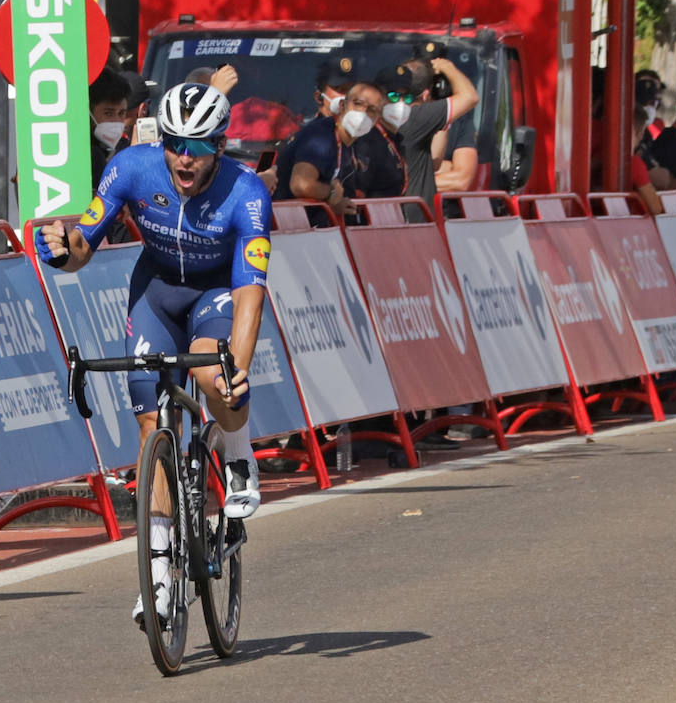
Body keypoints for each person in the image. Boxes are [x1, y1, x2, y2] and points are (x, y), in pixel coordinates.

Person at [34, 83, 271, 626]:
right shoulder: (131, 167)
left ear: (220, 145)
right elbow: (82, 246)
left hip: (218, 291)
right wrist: (62, 250)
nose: (184, 158)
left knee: (214, 374)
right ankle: (160, 575)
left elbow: (251, 293)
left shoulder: (246, 192)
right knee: (152, 429)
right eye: (174, 144)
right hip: (156, 293)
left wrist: (237, 371)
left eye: (199, 146)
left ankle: (238, 454)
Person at [271, 81, 384, 219]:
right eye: (358, 104)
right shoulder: (321, 135)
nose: (362, 113)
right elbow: (300, 185)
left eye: (371, 110)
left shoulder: (352, 145)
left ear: (377, 119)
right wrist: (331, 193)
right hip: (281, 223)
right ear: (342, 105)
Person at [389, 55, 478, 219]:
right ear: (425, 95)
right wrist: (448, 67)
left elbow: (434, 164)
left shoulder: (394, 117)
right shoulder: (414, 118)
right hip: (410, 220)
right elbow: (470, 97)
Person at [88, 67, 131, 189]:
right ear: (89, 113)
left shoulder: (121, 150)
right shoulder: (91, 155)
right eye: (108, 113)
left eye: (121, 113)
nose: (116, 121)